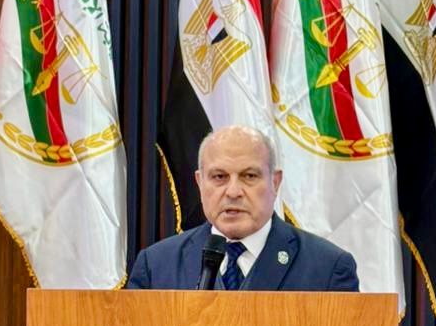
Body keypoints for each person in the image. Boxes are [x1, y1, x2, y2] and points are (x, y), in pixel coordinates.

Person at [128, 125, 359, 291]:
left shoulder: (328, 268)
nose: (233, 191)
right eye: (219, 177)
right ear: (199, 183)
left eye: (249, 176)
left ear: (275, 182)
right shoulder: (156, 266)